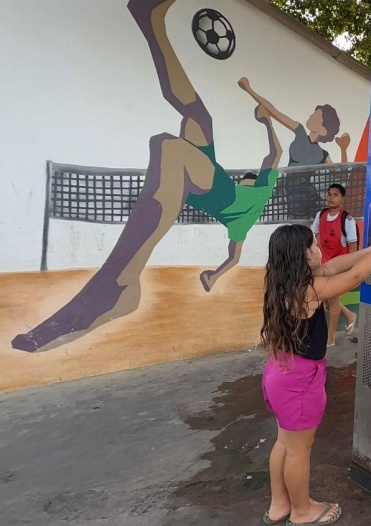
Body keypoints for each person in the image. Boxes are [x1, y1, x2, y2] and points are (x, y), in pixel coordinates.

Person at [12, 0, 283, 353]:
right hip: (210, 176)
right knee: (199, 119)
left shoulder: (247, 214)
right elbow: (271, 156)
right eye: (250, 177)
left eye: (251, 177)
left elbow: (237, 250)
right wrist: (267, 124)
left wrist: (267, 123)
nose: (251, 177)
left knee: (169, 147)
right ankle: (150, 20)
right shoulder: (257, 191)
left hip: (214, 190)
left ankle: (120, 283)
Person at [259, 221, 371, 526]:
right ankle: (302, 512)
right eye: (312, 246)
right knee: (300, 451)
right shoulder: (309, 291)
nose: (319, 250)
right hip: (300, 381)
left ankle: (279, 505)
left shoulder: (284, 281)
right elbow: (353, 275)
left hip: (279, 372)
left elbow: (338, 264)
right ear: (300, 256)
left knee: (285, 443)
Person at [237, 78, 351, 219]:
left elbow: (342, 173)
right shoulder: (300, 131)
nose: (311, 115)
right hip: (293, 193)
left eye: (316, 115)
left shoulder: (323, 153)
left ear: (323, 129)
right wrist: (249, 90)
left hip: (307, 196)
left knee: (306, 229)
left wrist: (343, 148)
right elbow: (274, 111)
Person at [311, 183, 358, 345]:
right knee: (327, 298)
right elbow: (314, 236)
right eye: (329, 194)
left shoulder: (347, 220)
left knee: (331, 299)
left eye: (335, 194)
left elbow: (353, 249)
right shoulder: (321, 215)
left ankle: (330, 337)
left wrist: (352, 271)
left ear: (342, 198)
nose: (331, 197)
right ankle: (350, 315)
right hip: (324, 265)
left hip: (339, 266)